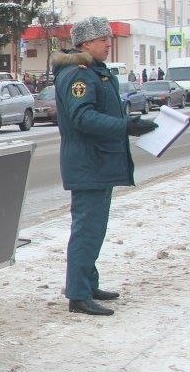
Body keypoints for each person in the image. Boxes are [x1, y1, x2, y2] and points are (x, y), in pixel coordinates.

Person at [52, 16, 157, 317]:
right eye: (102, 40)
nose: (108, 44)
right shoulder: (79, 75)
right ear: (85, 43)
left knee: (94, 229)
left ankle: (87, 284)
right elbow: (82, 117)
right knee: (87, 229)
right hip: (88, 163)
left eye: (109, 38)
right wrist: (127, 126)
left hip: (97, 162)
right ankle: (78, 295)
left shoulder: (97, 72)